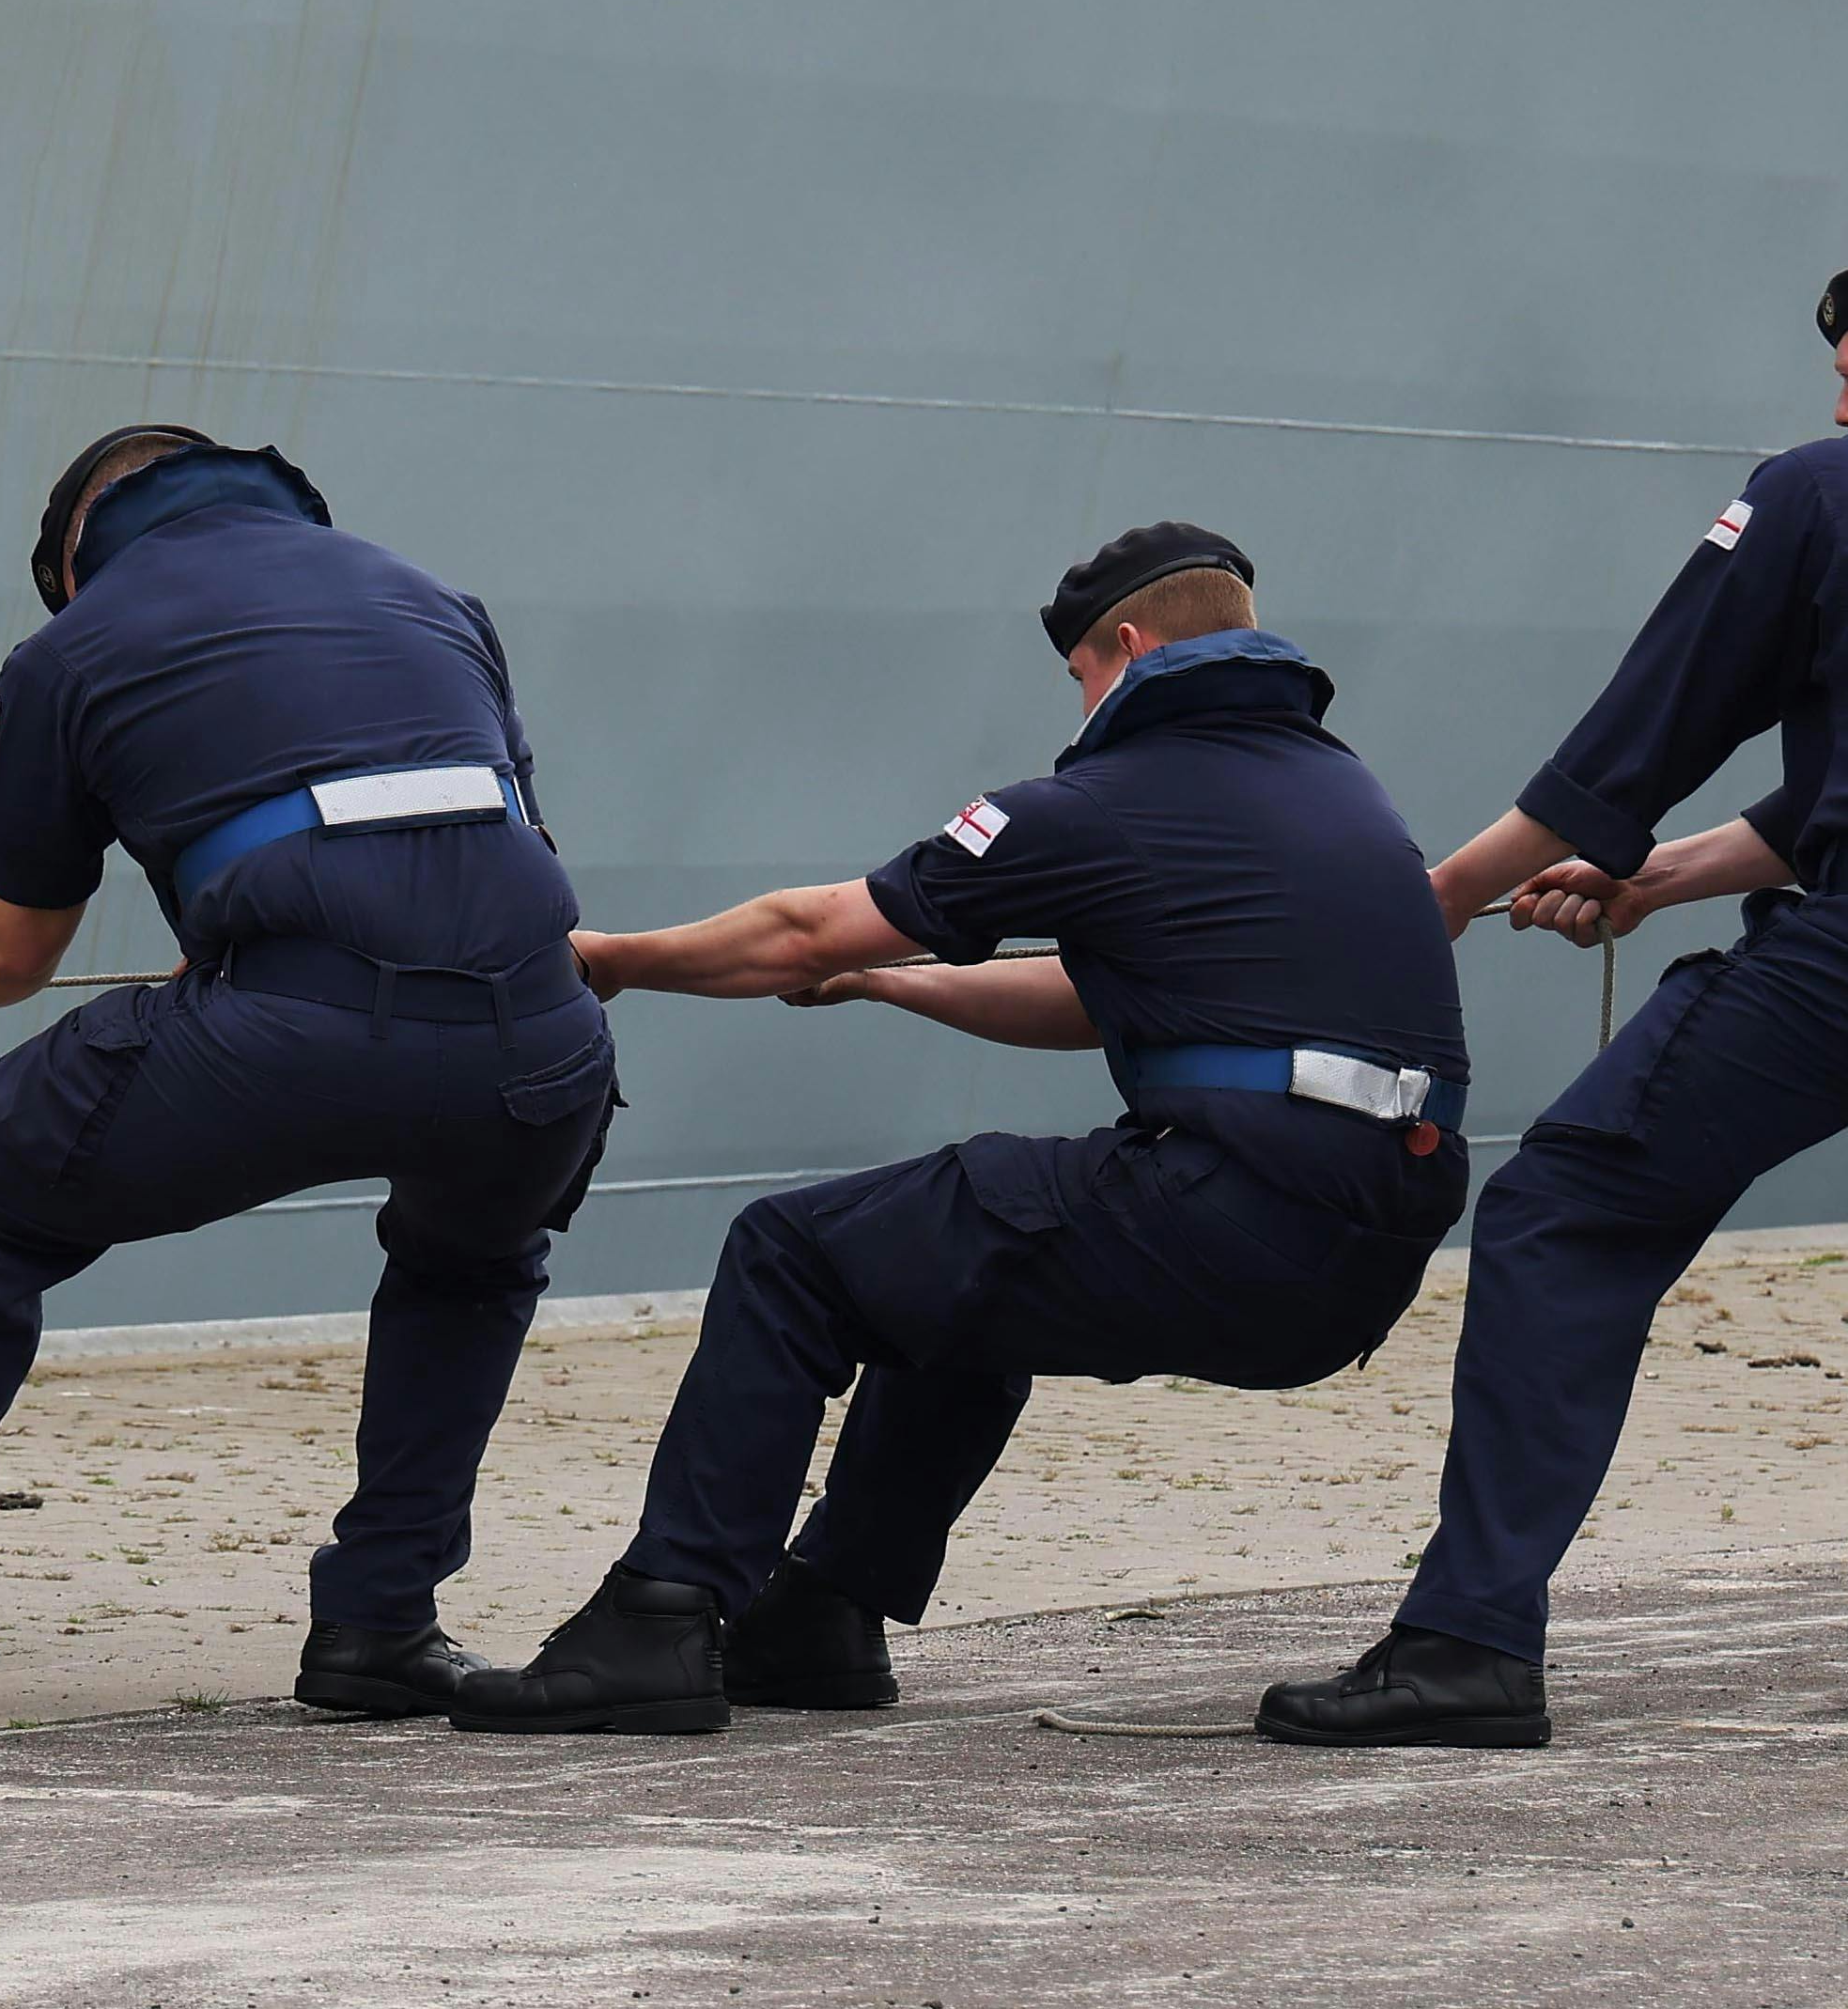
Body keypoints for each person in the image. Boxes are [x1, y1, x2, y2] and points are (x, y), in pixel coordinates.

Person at [1263, 237, 1848, 1747]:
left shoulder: (1821, 487)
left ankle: (1471, 1640)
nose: (1846, 403)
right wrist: (1651, 879)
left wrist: (1444, 900)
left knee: (1566, 1212)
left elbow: (1641, 734)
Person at [448, 526, 1469, 1735]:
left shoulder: (1105, 798)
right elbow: (1102, 1003)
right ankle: (821, 1612)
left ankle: (659, 1619)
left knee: (793, 1250)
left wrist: (616, 959)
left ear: (1127, 649)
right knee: (950, 1263)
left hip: (1231, 1207)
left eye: (1080, 673)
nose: (1081, 698)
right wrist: (896, 984)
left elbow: (805, 930)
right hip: (1363, 1249)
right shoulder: (1338, 789)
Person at [0, 427, 619, 1725]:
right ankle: (381, 1626)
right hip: (539, 1036)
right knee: (474, 1255)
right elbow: (493, 828)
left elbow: (8, 950)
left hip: (288, 1025)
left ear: (73, 557)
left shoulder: (74, 646)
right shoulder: (428, 597)